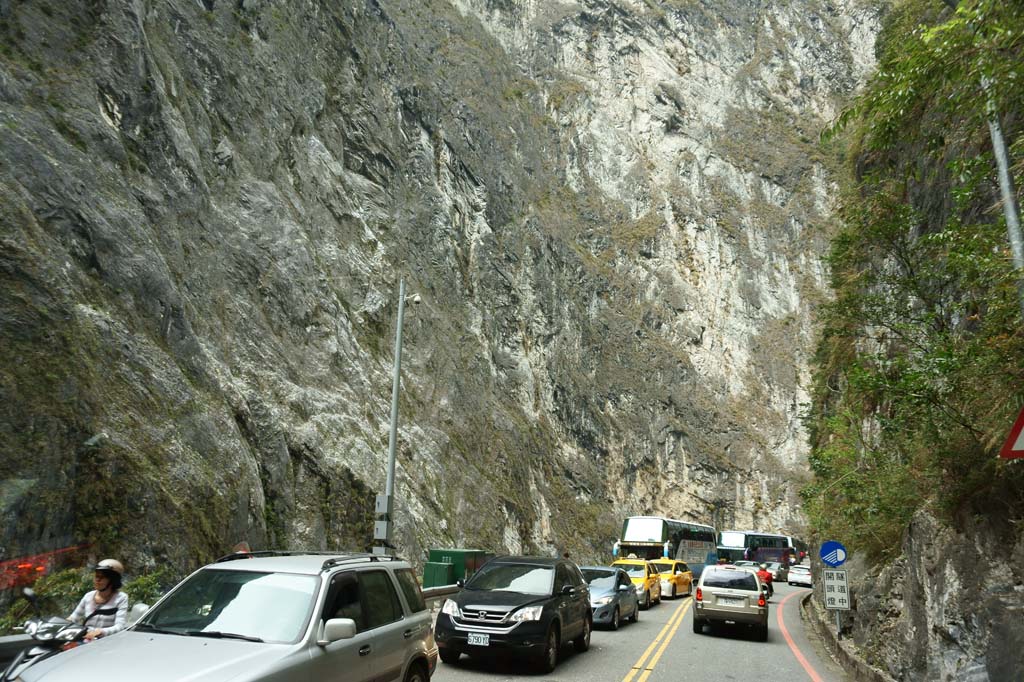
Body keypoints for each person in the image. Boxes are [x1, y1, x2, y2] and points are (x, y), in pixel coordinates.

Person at [68, 559, 129, 640]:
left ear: (113, 580)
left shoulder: (121, 598)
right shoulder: (88, 596)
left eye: (102, 577)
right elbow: (74, 618)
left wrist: (101, 632)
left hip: (107, 642)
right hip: (85, 639)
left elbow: (120, 626)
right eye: (96, 576)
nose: (97, 580)